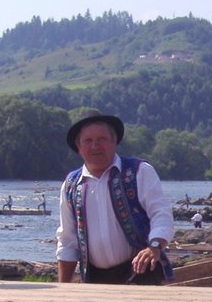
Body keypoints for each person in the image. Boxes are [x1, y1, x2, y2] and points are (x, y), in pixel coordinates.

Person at [56, 110, 174, 285]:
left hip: (141, 274)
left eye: (102, 139)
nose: (95, 146)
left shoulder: (139, 171)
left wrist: (154, 247)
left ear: (114, 142)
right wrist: (63, 290)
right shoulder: (71, 185)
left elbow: (161, 214)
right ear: (79, 148)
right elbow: (67, 240)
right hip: (94, 280)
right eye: (88, 141)